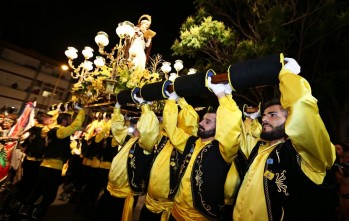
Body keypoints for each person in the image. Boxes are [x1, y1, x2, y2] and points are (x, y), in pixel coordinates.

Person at [233, 57, 338, 221]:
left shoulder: (305, 155)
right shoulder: (260, 149)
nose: (265, 119)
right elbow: (244, 134)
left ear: (290, 120)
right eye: (265, 115)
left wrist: (288, 76)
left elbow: (303, 110)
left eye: (273, 115)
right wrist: (250, 118)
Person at [164, 76, 242, 220]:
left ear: (219, 127)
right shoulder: (191, 142)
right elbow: (171, 130)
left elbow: (231, 128)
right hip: (175, 212)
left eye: (208, 122)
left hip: (201, 216)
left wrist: (222, 96)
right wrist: (171, 100)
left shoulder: (223, 151)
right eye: (202, 120)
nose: (201, 123)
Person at [18, 103, 85, 220]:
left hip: (44, 166)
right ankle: (37, 214)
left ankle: (24, 210)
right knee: (49, 195)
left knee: (37, 191)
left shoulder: (50, 130)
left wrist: (66, 111)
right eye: (69, 120)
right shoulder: (61, 132)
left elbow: (59, 122)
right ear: (64, 122)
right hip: (53, 168)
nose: (70, 122)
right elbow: (77, 124)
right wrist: (81, 111)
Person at [95, 97, 159, 221]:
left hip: (123, 196)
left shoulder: (146, 146)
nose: (135, 126)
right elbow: (117, 129)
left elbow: (149, 130)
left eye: (140, 123)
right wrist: (117, 107)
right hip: (110, 190)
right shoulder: (129, 139)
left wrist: (144, 106)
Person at [139, 97, 199, 221]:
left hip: (166, 210)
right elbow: (147, 134)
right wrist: (145, 107)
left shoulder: (188, 144)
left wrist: (174, 100)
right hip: (149, 202)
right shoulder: (165, 139)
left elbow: (188, 120)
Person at [0, 111, 53, 218]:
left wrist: (27, 150)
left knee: (23, 183)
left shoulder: (31, 130)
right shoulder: (44, 131)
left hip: (28, 160)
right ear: (44, 120)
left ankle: (9, 205)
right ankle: (14, 207)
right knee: (27, 185)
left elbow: (22, 144)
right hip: (35, 162)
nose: (51, 121)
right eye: (49, 119)